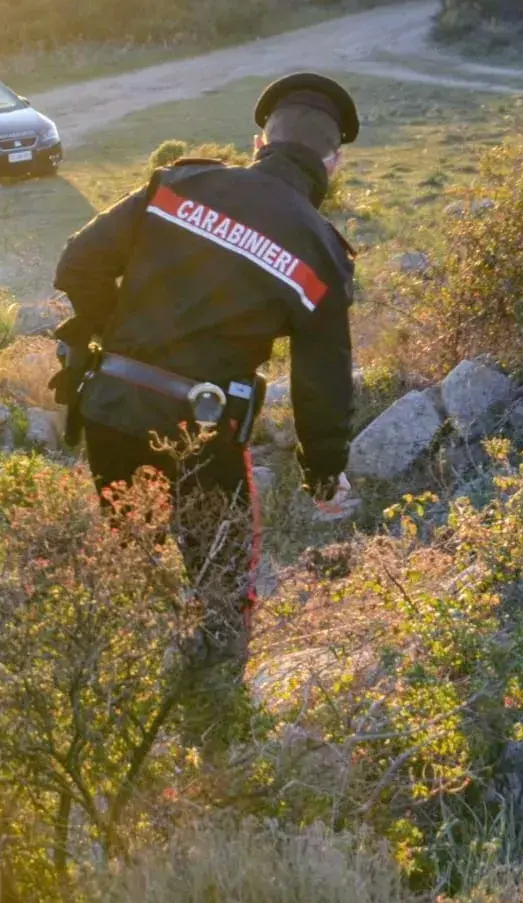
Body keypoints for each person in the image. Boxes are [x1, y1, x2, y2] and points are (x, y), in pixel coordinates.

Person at [50, 72, 362, 741]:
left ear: (259, 142)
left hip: (111, 410)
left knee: (126, 558)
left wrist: (124, 341)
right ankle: (217, 729)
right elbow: (321, 377)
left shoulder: (177, 185)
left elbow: (76, 262)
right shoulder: (320, 250)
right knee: (221, 580)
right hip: (203, 430)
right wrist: (324, 466)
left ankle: (106, 711)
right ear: (333, 163)